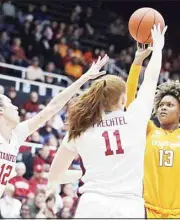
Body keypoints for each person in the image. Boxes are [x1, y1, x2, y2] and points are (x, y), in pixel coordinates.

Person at [0, 55, 110, 218]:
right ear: (0, 111)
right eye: (10, 104)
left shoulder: (17, 134)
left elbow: (52, 108)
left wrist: (84, 78)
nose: (16, 107)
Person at [47, 24, 167, 218]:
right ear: (122, 99)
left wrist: (82, 175)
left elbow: (54, 176)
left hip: (93, 203)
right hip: (129, 205)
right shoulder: (135, 117)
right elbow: (151, 79)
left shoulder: (80, 129)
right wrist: (158, 48)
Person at [125, 28, 180, 218]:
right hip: (145, 211)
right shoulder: (149, 130)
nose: (163, 108)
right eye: (160, 105)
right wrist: (137, 63)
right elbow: (129, 103)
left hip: (177, 214)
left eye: (169, 105)